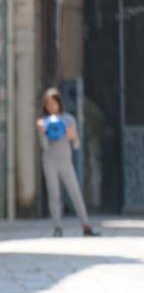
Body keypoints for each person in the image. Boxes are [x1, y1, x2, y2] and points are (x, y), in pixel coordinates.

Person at [36, 88, 99, 237]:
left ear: (59, 103)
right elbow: (44, 147)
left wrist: (72, 136)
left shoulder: (69, 120)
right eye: (48, 104)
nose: (51, 106)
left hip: (65, 161)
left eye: (54, 103)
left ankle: (86, 226)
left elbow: (76, 145)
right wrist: (42, 133)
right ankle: (57, 227)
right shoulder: (43, 122)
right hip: (49, 161)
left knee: (75, 192)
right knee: (54, 194)